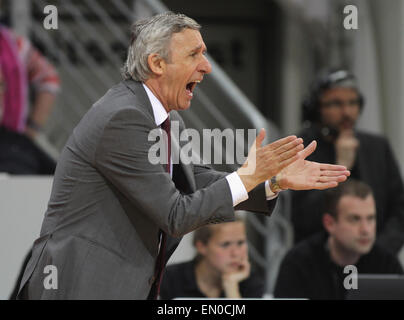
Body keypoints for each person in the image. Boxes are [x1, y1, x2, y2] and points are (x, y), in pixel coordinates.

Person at [16, 12, 349, 300]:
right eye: (195, 54)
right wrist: (248, 175)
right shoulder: (122, 117)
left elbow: (192, 181)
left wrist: (271, 180)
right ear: (157, 63)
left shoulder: (162, 115)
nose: (206, 67)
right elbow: (175, 213)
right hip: (80, 285)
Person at [291, 69, 404, 255]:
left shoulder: (377, 146)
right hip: (319, 262)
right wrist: (340, 165)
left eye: (353, 103)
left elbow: (399, 210)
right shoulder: (300, 148)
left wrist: (378, 253)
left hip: (376, 259)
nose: (347, 112)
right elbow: (302, 217)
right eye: (336, 104)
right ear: (316, 109)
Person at [274, 179, 403, 300]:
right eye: (355, 219)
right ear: (329, 223)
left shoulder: (386, 264)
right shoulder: (299, 264)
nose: (366, 230)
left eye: (370, 218)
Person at [0, 24, 60, 174]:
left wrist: (33, 127)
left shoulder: (14, 45)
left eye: (1, 85)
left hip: (12, 140)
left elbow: (49, 78)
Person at [160, 214, 263, 299]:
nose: (236, 253)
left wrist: (231, 286)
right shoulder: (169, 279)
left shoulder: (250, 282)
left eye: (240, 243)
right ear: (201, 246)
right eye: (225, 244)